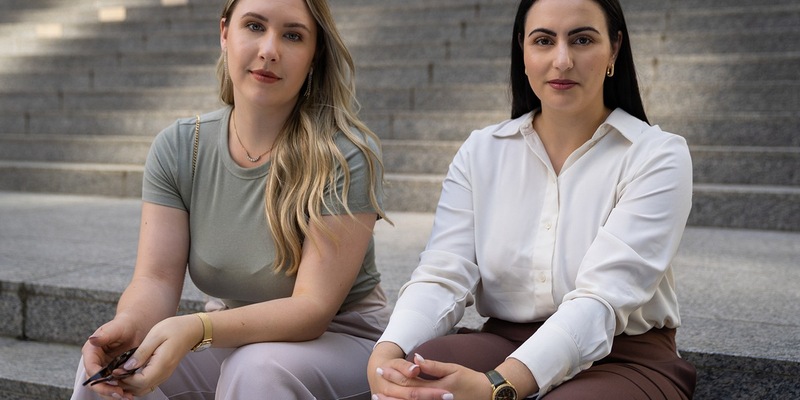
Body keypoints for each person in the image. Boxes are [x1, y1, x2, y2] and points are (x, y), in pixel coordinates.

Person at [368, 0, 697, 398]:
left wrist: (497, 386)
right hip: (504, 340)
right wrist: (385, 354)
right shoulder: (482, 151)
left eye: (582, 40)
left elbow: (603, 299)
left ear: (614, 49)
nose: (562, 60)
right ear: (522, 50)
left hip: (625, 356)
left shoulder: (657, 154)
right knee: (416, 376)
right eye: (544, 40)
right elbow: (443, 274)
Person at [71, 0, 391, 398]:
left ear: (314, 55)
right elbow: (155, 279)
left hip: (343, 340)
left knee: (255, 369)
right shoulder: (180, 147)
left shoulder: (343, 156)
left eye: (292, 35)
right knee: (105, 373)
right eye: (254, 26)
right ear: (225, 33)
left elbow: (311, 310)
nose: (269, 50)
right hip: (235, 335)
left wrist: (197, 329)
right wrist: (129, 325)